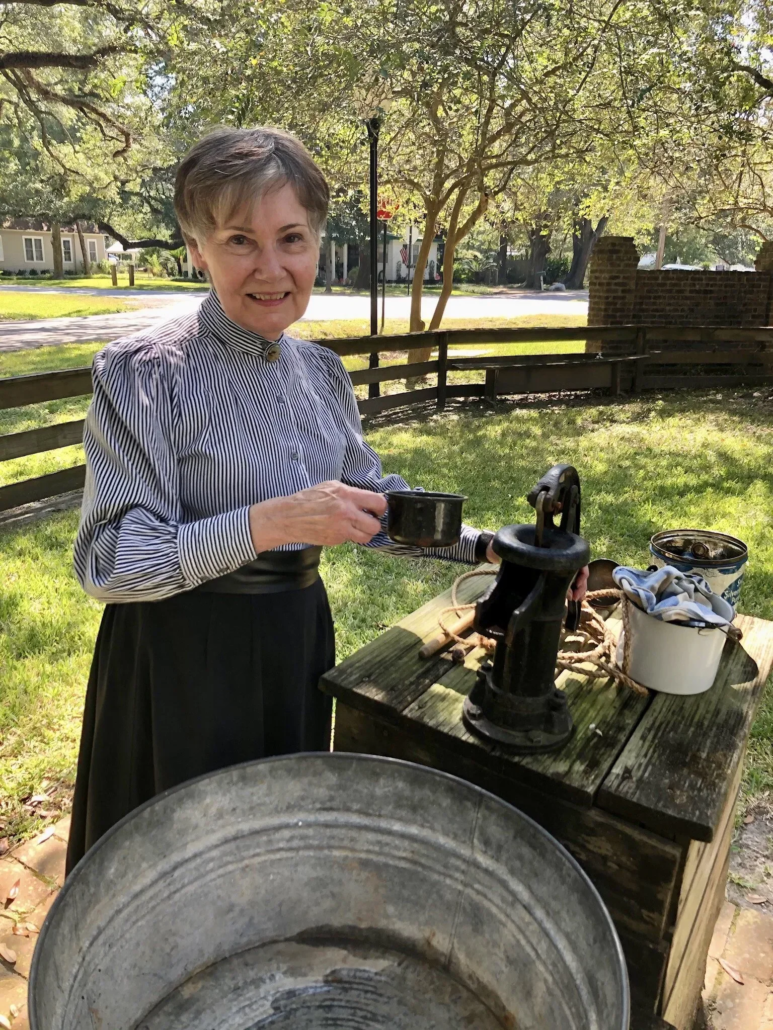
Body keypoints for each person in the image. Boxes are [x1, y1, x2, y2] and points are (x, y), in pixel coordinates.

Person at [66, 126, 587, 875]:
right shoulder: (144, 376)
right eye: (239, 240)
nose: (272, 268)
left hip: (293, 635)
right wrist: (271, 521)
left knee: (272, 844)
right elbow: (108, 563)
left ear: (315, 242)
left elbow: (372, 511)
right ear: (194, 248)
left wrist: (486, 547)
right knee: (178, 864)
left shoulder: (321, 374)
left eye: (292, 239)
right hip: (178, 654)